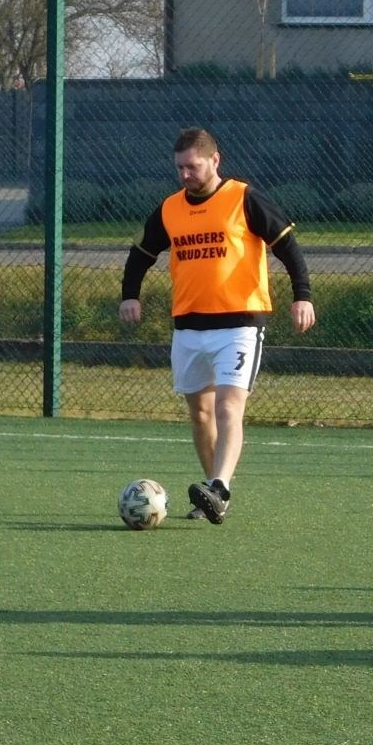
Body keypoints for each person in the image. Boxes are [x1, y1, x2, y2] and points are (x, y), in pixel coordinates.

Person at [119, 127, 315, 524]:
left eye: (192, 166)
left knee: (228, 406)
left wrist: (303, 295)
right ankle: (213, 494)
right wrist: (130, 294)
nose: (185, 174)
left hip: (239, 324)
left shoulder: (243, 198)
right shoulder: (170, 208)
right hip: (189, 327)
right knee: (201, 415)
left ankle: (220, 487)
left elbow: (287, 246)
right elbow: (141, 253)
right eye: (179, 168)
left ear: (214, 160)